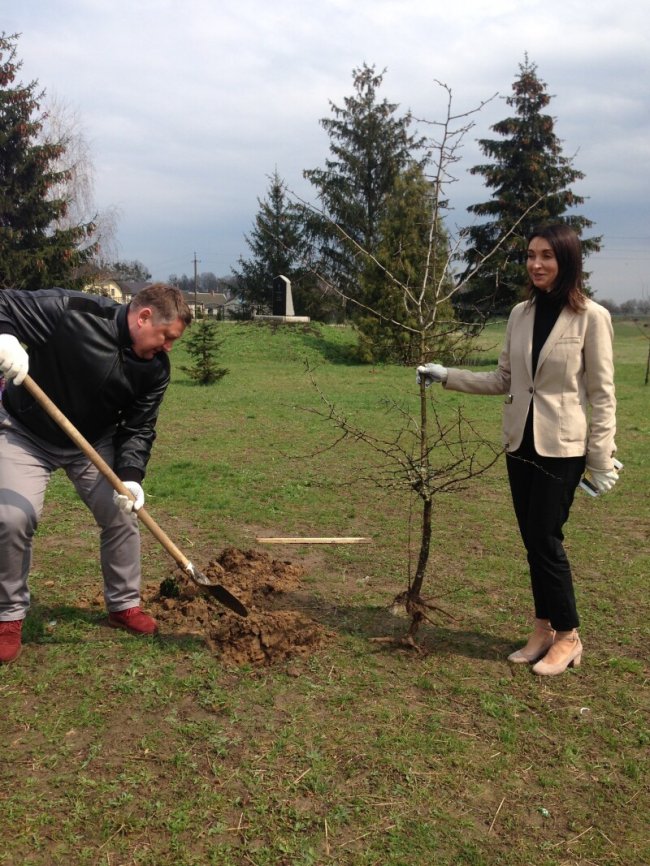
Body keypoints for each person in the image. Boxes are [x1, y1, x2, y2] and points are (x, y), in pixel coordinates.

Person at [417, 224, 618, 676]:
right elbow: (504, 380)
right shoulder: (520, 314)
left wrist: (601, 457)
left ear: (567, 261)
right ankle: (543, 628)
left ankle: (568, 636)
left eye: (547, 255)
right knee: (532, 541)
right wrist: (445, 374)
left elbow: (602, 395)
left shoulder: (591, 317)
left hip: (563, 448)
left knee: (546, 539)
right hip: (519, 443)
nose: (536, 264)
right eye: (530, 255)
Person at [0, 283, 192, 663]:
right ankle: (8, 616)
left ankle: (124, 606)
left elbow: (139, 427)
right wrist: (6, 338)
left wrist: (132, 475)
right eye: (167, 337)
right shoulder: (71, 312)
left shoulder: (154, 369)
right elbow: (4, 302)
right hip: (25, 431)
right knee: (11, 517)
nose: (168, 347)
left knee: (122, 512)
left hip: (93, 442)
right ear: (144, 317)